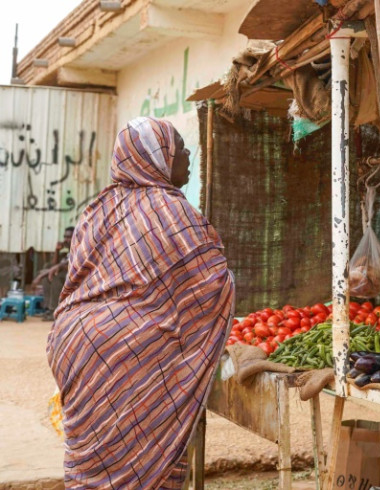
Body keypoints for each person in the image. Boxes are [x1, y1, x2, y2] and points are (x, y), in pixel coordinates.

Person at [47, 117, 234, 488]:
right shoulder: (172, 210)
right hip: (131, 350)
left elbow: (78, 279)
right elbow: (212, 286)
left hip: (73, 342)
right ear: (158, 157)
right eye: (179, 147)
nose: (187, 154)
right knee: (148, 460)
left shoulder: (97, 208)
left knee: (95, 460)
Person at [31, 226, 75, 319]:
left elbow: (62, 266)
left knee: (55, 275)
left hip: (73, 280)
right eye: (65, 237)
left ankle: (54, 310)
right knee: (48, 268)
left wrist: (38, 277)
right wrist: (57, 250)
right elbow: (53, 265)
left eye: (68, 237)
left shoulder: (77, 250)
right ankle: (48, 308)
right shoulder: (67, 252)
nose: (66, 240)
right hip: (64, 276)